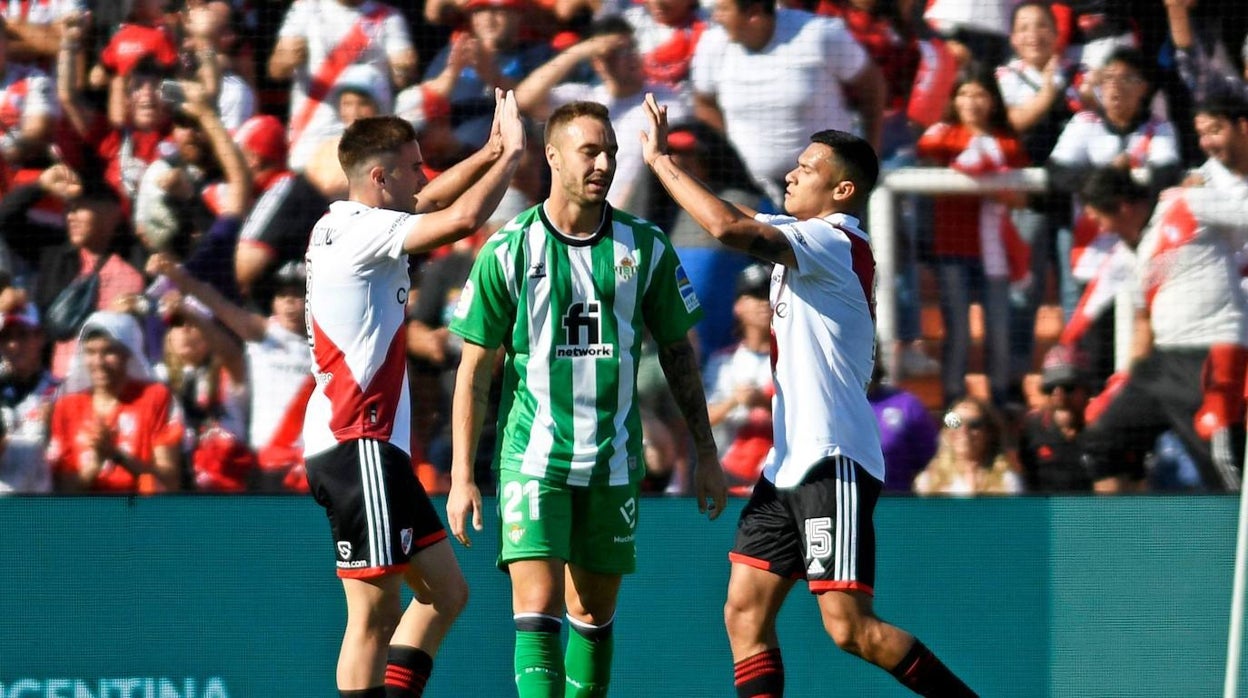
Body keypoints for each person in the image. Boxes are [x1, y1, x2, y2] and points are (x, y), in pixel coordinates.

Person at [641, 93, 975, 696]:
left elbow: (727, 226)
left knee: (850, 630)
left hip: (832, 457)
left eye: (807, 168)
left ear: (842, 192)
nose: (792, 173)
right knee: (744, 612)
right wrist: (676, 178)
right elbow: (738, 212)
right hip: (788, 464)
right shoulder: (807, 235)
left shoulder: (835, 242)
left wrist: (661, 164)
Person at [446, 100, 727, 697]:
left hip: (613, 460)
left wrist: (706, 452)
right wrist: (461, 476)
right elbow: (474, 372)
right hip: (532, 456)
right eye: (590, 151)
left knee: (593, 617)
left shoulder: (643, 247)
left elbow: (680, 355)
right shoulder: (509, 248)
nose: (603, 163)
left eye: (611, 152)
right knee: (537, 606)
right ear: (551, 156)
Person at [302, 90, 526, 697]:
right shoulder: (361, 233)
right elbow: (457, 219)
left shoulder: (344, 223)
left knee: (447, 594)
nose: (423, 176)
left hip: (372, 447)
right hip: (359, 441)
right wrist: (513, 160)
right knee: (372, 613)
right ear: (379, 177)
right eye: (413, 165)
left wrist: (489, 152)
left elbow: (431, 200)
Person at [1077, 166, 1248, 493]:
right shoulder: (1130, 253)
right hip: (1160, 364)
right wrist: (1124, 380)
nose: (1098, 227)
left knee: (1223, 465)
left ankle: (1239, 538)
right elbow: (1143, 322)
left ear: (1122, 206)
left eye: (1099, 217)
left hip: (1211, 353)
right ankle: (1127, 535)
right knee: (1100, 439)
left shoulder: (1186, 202)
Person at [690, 0, 885, 203]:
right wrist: (732, 162)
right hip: (753, 193)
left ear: (754, 12)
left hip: (826, 193)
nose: (715, 17)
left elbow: (872, 85)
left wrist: (870, 156)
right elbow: (705, 103)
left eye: (723, 10)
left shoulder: (819, 34)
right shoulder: (712, 44)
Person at [47, 310, 184, 493]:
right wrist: (94, 465)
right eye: (91, 352)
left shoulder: (155, 398)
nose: (99, 362)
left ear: (129, 354)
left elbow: (169, 482)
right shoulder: (67, 407)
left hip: (141, 515)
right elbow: (61, 490)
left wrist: (116, 455)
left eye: (109, 351)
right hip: (84, 517)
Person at [704, 262, 774, 496]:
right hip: (730, 474)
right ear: (739, 306)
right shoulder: (723, 362)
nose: (765, 303)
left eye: (769, 295)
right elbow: (700, 419)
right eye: (756, 295)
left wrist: (763, 402)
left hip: (779, 478)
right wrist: (735, 401)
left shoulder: (793, 359)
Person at [1017, 344, 1093, 493]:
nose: (1058, 392)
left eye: (1067, 386)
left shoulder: (1102, 429)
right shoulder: (1032, 429)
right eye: (1051, 387)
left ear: (1085, 388)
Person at [913, 397, 1022, 496]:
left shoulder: (1007, 481)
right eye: (954, 422)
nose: (963, 430)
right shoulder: (929, 481)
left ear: (989, 433)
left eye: (974, 424)